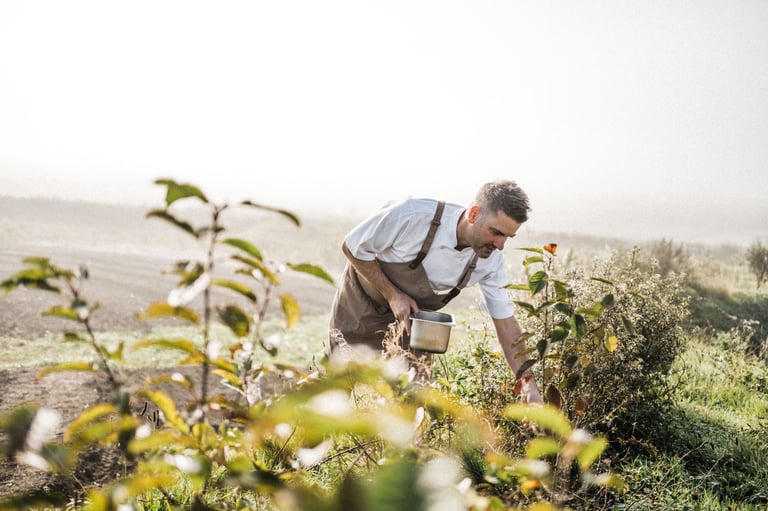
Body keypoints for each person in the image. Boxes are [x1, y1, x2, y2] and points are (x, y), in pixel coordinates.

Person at [327, 179, 543, 404]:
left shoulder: (491, 262)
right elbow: (352, 245)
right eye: (496, 232)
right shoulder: (411, 215)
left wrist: (529, 386)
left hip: (414, 323)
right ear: (474, 214)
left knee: (412, 398)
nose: (500, 245)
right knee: (336, 386)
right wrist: (392, 294)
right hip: (361, 304)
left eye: (508, 237)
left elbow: (507, 325)